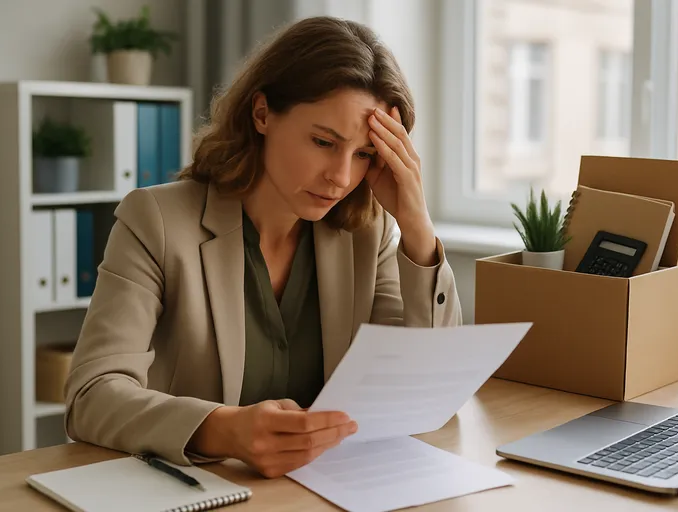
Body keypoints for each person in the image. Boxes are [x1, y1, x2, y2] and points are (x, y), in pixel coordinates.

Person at [64, 15, 462, 479]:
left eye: (364, 155)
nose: (341, 176)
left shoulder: (366, 233)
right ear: (262, 114)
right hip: (197, 489)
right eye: (322, 141)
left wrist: (416, 224)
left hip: (320, 492)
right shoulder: (155, 221)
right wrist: (224, 429)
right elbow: (90, 396)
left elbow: (426, 388)